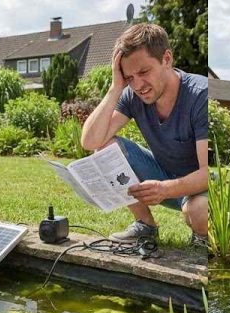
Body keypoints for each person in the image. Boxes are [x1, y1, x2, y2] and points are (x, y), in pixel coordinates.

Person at [81, 23, 208, 246]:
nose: (138, 85)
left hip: (205, 188)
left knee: (197, 211)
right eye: (130, 77)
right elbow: (90, 141)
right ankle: (145, 225)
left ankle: (203, 235)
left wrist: (165, 189)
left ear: (166, 59)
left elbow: (207, 173)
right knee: (106, 148)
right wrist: (115, 88)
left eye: (143, 72)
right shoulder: (132, 95)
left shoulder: (201, 96)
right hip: (164, 179)